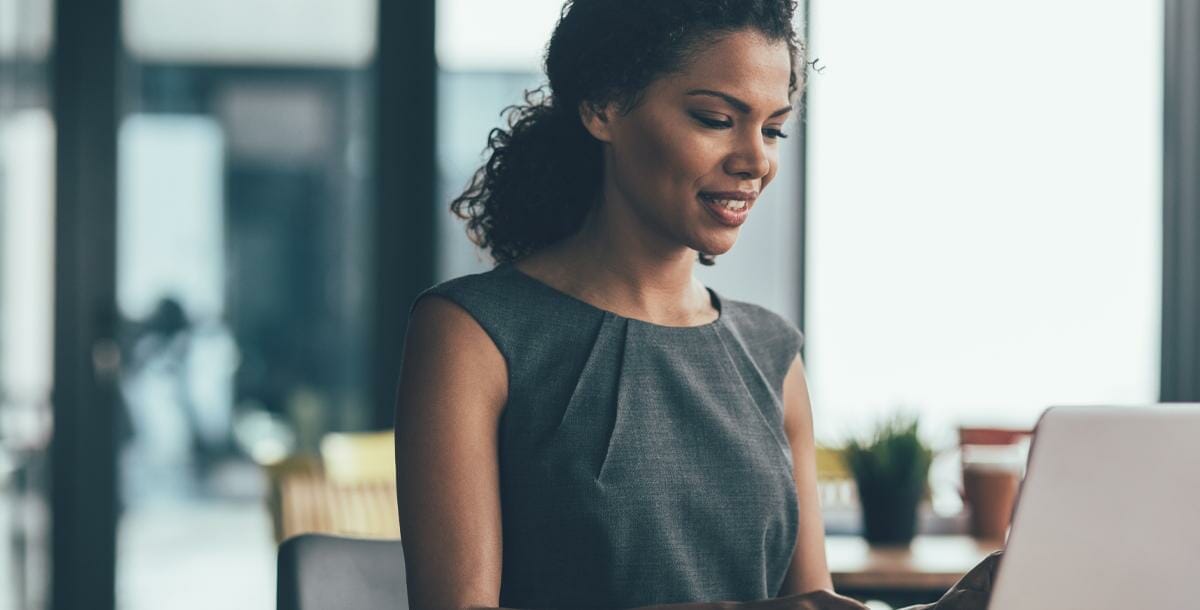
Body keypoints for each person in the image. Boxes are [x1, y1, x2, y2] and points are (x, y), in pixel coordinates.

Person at [393, 1, 1001, 609]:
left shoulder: (772, 352)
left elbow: (811, 603)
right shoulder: (472, 334)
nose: (756, 161)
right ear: (602, 106)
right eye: (715, 119)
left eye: (773, 129)